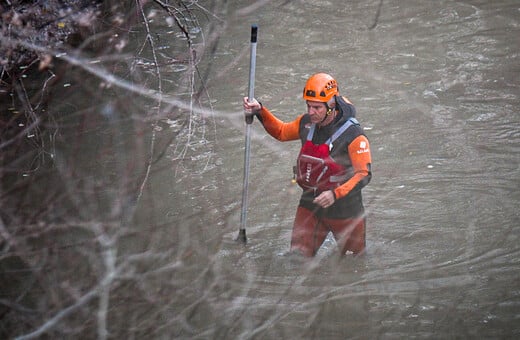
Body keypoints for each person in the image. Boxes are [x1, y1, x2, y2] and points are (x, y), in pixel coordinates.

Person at [243, 73, 372, 257]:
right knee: (296, 259)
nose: (311, 112)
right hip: (311, 203)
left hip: (346, 210)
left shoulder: (354, 135)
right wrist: (259, 111)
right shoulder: (306, 124)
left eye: (317, 107)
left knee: (353, 262)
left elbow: (364, 174)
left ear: (332, 105)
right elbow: (281, 132)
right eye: (308, 106)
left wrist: (335, 194)